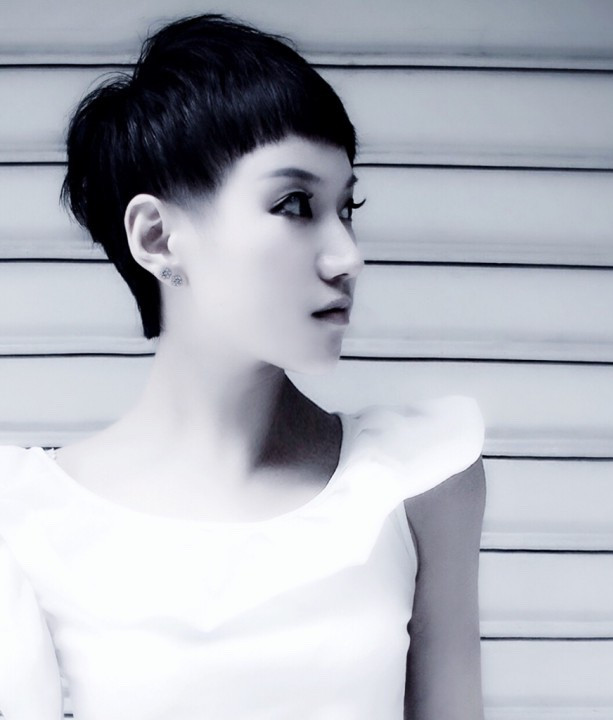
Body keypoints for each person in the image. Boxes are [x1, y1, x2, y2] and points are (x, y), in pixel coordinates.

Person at [0, 14, 486, 720]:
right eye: (295, 205)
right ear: (157, 237)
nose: (347, 257)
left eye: (346, 207)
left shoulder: (418, 482)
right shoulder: (27, 515)